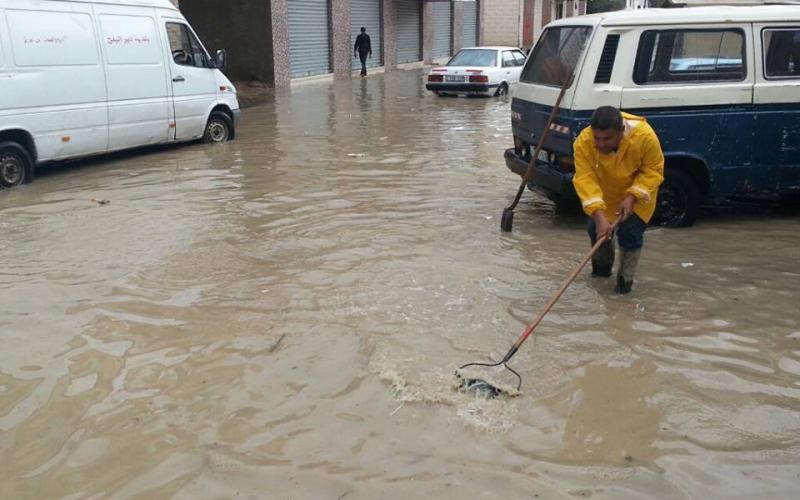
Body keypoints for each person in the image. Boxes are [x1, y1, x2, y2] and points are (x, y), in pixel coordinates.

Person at [572, 106, 664, 294]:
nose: (601, 144)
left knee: (630, 233)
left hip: (638, 194)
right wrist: (599, 217)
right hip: (605, 194)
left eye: (607, 139)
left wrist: (632, 197)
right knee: (596, 230)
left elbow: (653, 170)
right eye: (597, 138)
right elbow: (584, 179)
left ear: (621, 131)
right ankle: (601, 275)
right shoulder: (584, 142)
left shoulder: (644, 137)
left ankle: (624, 285)